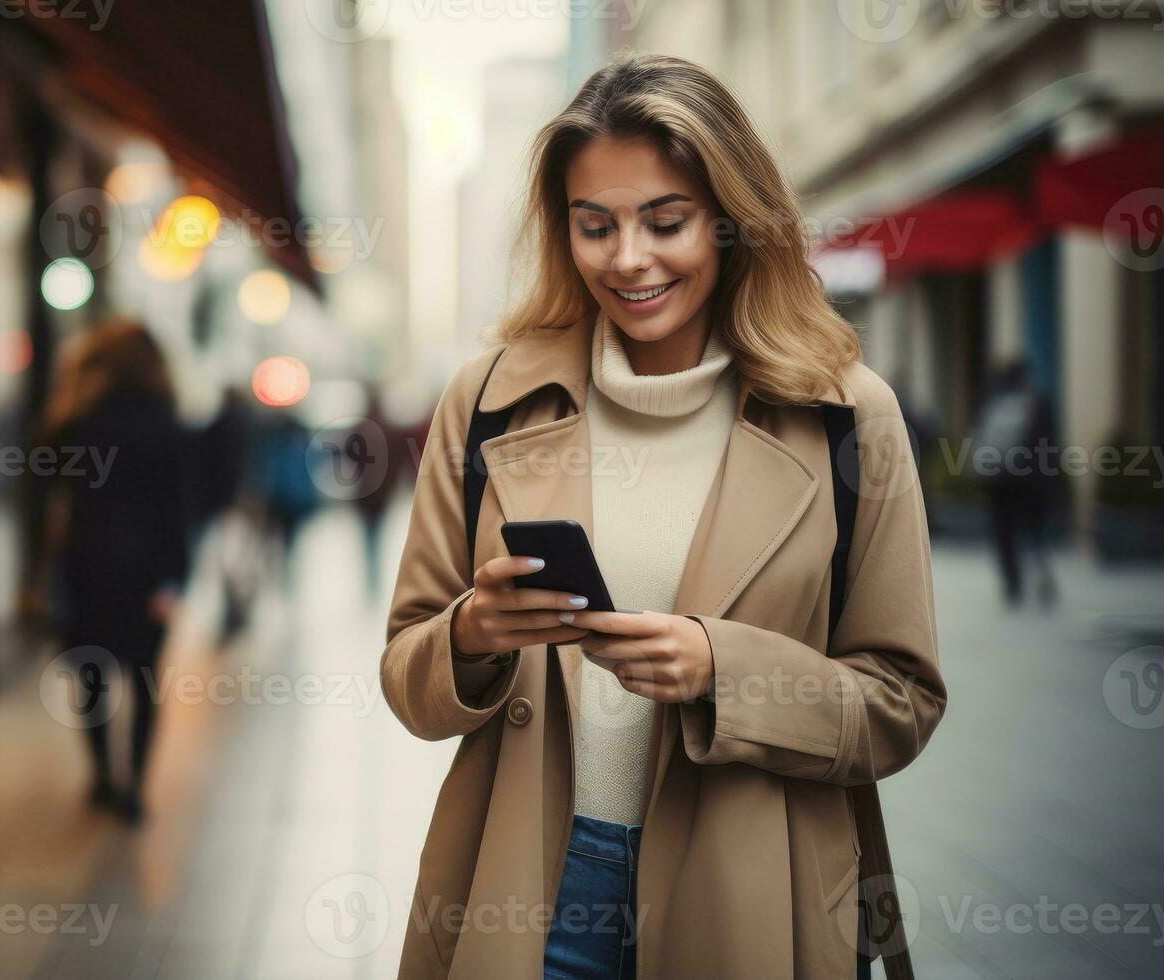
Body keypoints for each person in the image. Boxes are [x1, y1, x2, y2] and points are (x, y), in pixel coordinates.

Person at [380, 55, 946, 979]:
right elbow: (407, 673)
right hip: (529, 894)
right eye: (593, 225)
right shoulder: (487, 399)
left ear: (731, 221)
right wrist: (473, 635)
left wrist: (722, 668)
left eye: (665, 221)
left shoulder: (846, 414)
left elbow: (900, 703)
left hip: (750, 901)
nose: (628, 258)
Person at [38, 317, 189, 825]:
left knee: (93, 677)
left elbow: (42, 481)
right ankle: (136, 788)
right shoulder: (163, 421)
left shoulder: (79, 420)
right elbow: (176, 511)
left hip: (88, 567)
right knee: (145, 680)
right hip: (148, 573)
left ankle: (103, 777)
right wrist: (174, 579)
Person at [972, 360, 1060, 606]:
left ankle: (1012, 583)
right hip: (1032, 481)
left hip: (1000, 481)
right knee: (1035, 531)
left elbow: (982, 442)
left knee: (1004, 533)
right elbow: (1051, 444)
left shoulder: (993, 404)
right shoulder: (1039, 404)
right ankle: (1040, 568)